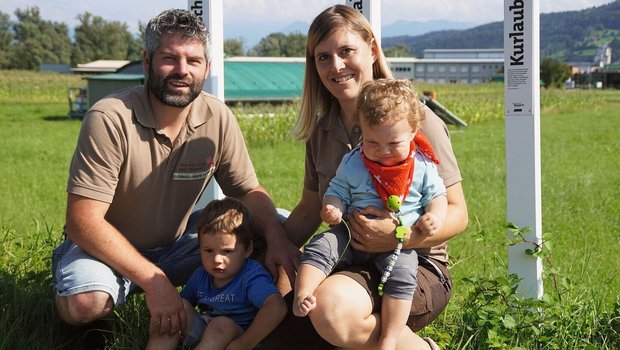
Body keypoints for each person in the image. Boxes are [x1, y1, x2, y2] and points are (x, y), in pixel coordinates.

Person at [50, 8, 299, 345]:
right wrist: (154, 282)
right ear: (147, 60)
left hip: (176, 247)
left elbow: (248, 191)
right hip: (103, 252)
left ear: (206, 68)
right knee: (85, 302)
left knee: (276, 226)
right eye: (170, 58)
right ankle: (90, 327)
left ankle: (271, 331)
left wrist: (279, 238)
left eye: (193, 61)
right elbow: (82, 221)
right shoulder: (109, 118)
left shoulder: (218, 117)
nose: (182, 71)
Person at [259, 5, 468, 350]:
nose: (336, 66)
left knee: (330, 311)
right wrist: (269, 246)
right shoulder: (321, 131)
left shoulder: (417, 121)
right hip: (348, 259)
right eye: (323, 57)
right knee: (268, 336)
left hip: (416, 265)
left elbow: (458, 213)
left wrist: (398, 237)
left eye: (346, 52)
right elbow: (310, 211)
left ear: (371, 49)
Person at [293, 79, 448, 350]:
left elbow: (439, 197)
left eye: (393, 143)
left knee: (402, 273)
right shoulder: (354, 162)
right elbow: (337, 190)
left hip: (399, 243)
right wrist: (333, 206)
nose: (383, 151)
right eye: (372, 142)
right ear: (362, 132)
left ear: (413, 132)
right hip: (351, 234)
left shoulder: (422, 166)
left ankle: (390, 338)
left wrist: (433, 216)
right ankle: (303, 292)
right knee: (322, 244)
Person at [146, 198, 287, 350]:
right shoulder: (201, 276)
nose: (217, 260)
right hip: (206, 334)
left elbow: (276, 307)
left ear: (247, 250)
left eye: (227, 251)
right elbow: (181, 307)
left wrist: (244, 344)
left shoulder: (251, 276)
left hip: (239, 339)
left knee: (221, 324)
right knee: (174, 311)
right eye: (208, 251)